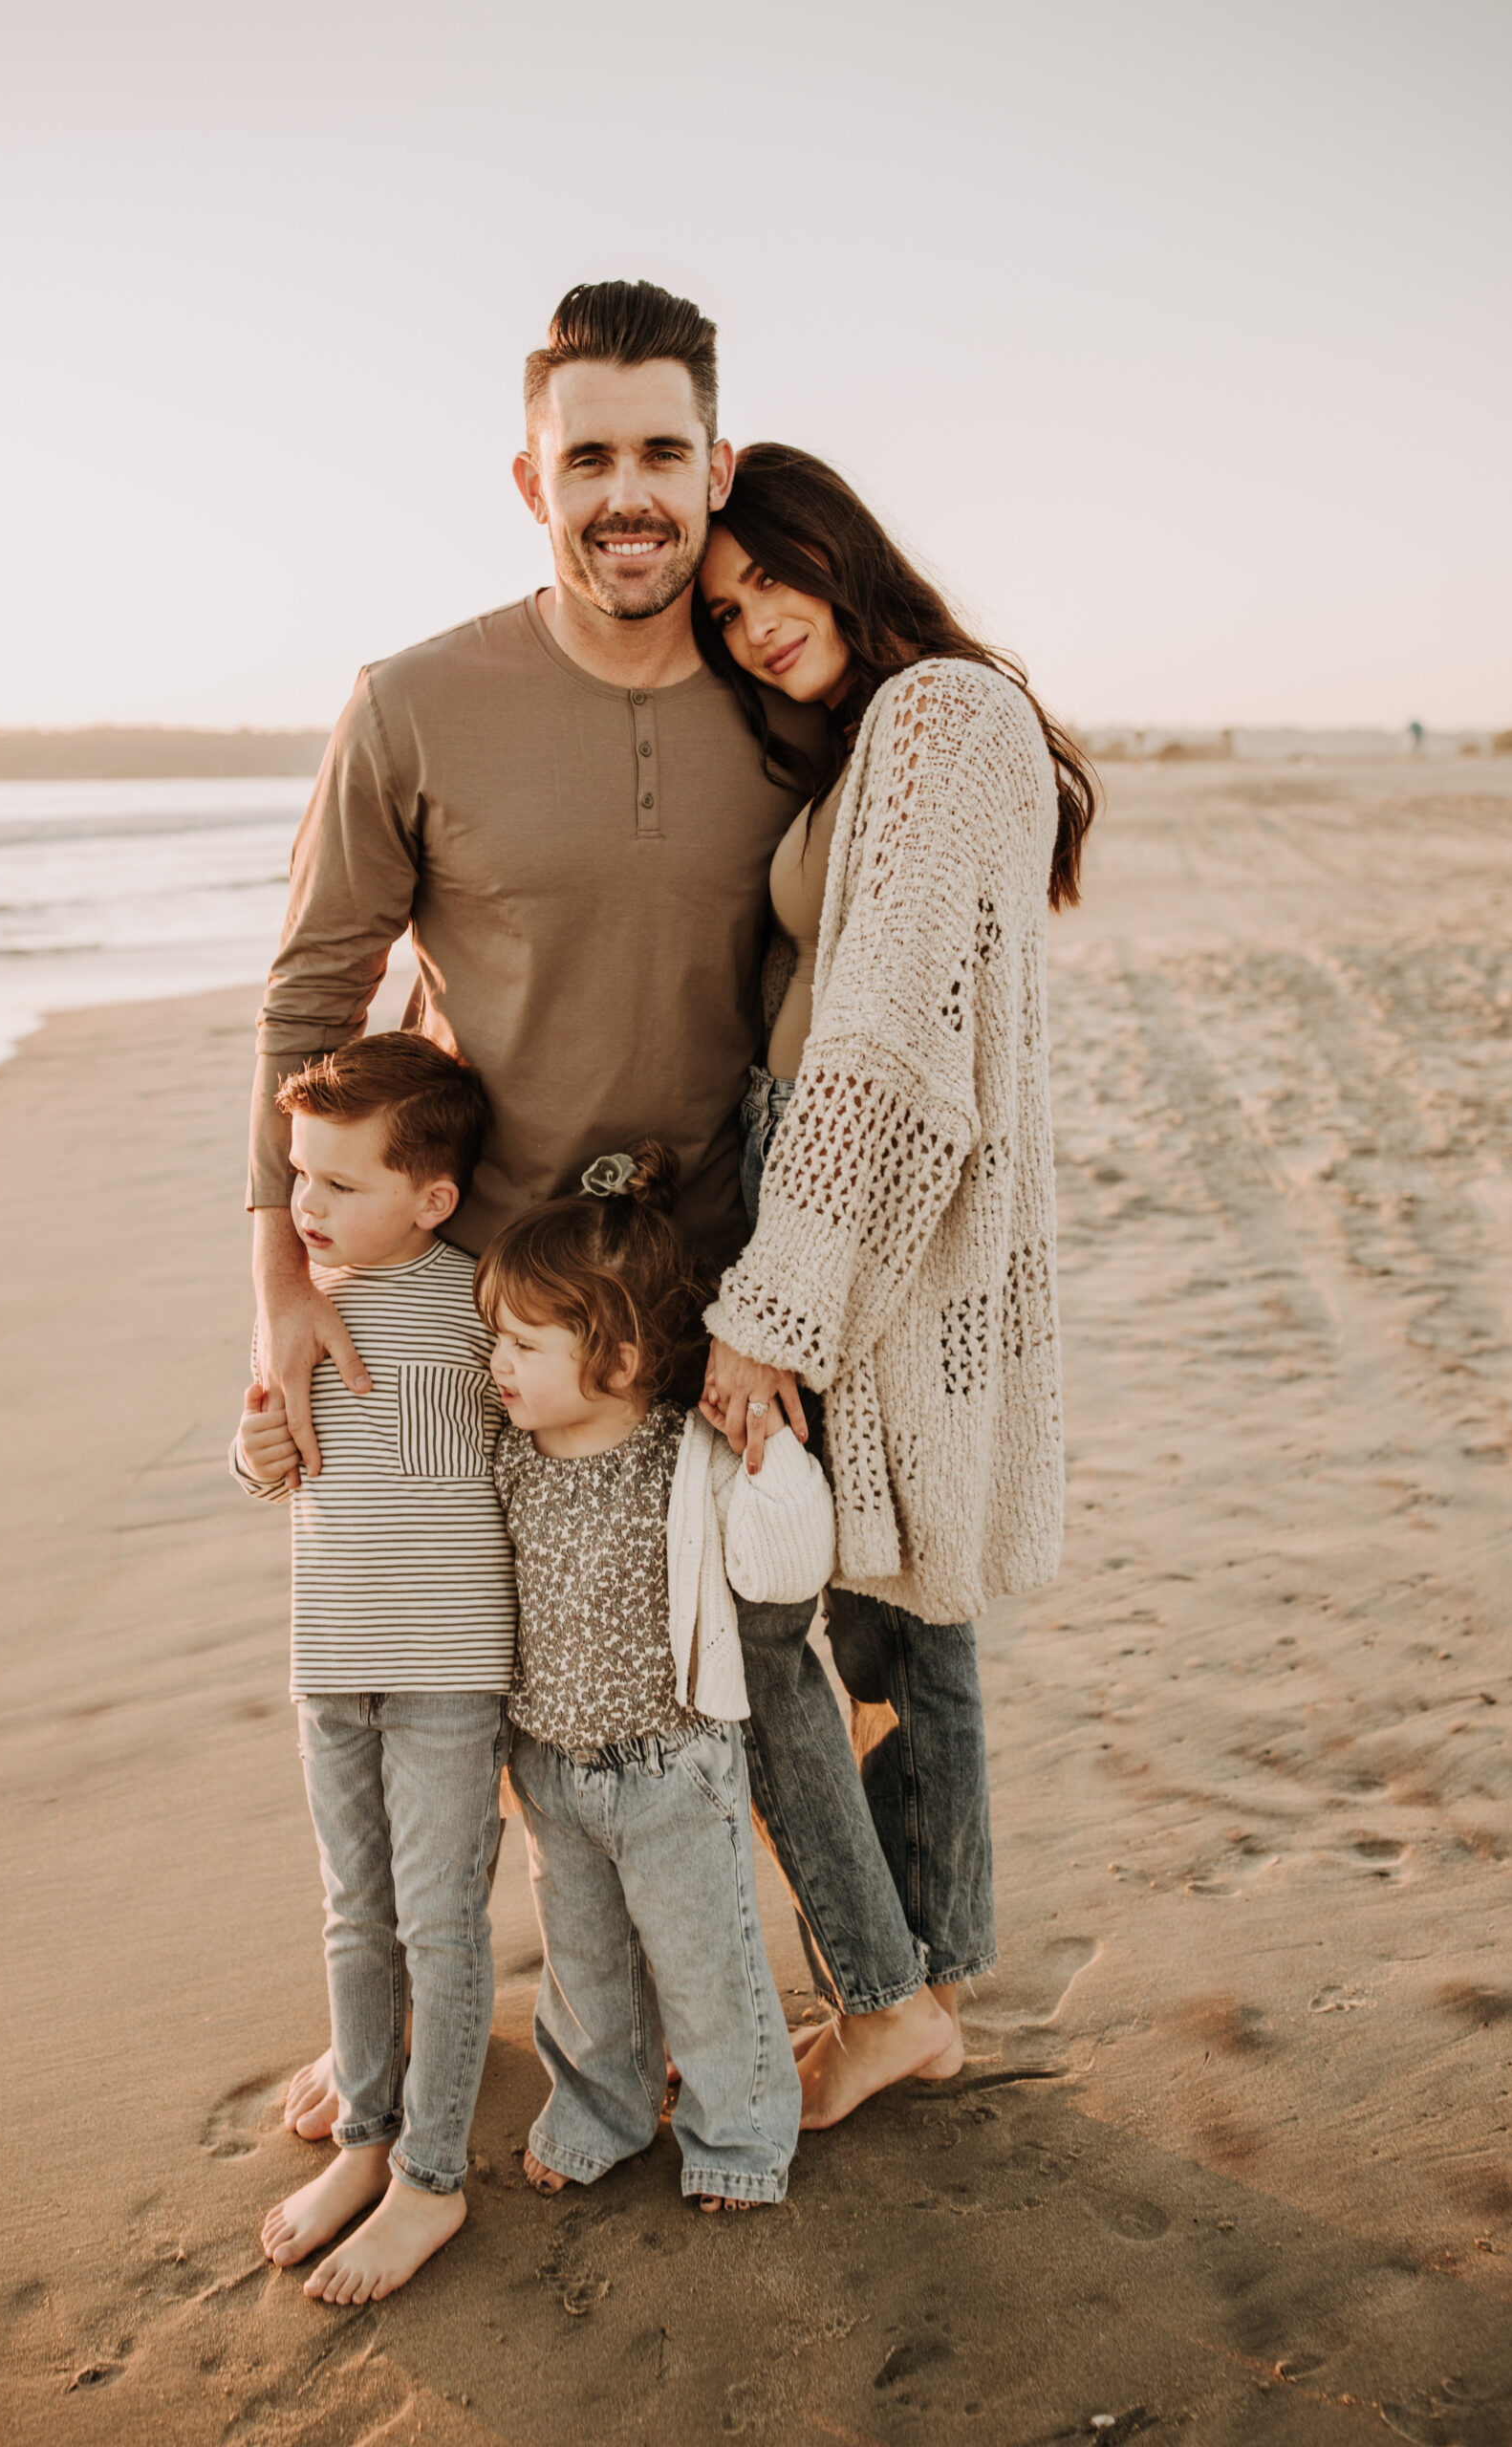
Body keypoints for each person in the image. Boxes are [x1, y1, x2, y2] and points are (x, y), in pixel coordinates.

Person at [259, 278, 826, 2144]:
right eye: (588, 455)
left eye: (662, 450)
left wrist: (801, 1296)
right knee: (463, 1686)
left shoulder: (785, 697)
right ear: (530, 476)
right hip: (479, 1305)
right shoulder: (411, 699)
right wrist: (280, 1288)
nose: (628, 493)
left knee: (708, 1683)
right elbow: (305, 1006)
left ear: (713, 464)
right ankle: (404, 2026)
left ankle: (719, 2018)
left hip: (715, 1282)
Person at [694, 443, 1097, 2128]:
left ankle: (885, 1991)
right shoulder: (879, 734)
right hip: (854, 1204)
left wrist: (769, 1310)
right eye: (724, 614)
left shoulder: (938, 716)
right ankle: (920, 1990)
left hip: (872, 1213)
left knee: (781, 1619)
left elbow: (880, 1055)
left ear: (836, 547)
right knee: (895, 1612)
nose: (754, 622)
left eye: (772, 575)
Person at [476, 1143, 832, 2210]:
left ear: (621, 1360)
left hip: (674, 1766)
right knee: (586, 1973)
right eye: (496, 1334)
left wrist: (772, 1464)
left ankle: (739, 2136)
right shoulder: (507, 1457)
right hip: (553, 1767)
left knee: (706, 1965)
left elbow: (785, 1566)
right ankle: (602, 2109)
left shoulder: (687, 1452)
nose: (498, 1360)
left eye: (524, 1343)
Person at [231, 1033, 516, 2305]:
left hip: (451, 1666)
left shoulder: (477, 1305)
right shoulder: (303, 1307)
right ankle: (364, 2140)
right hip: (331, 1664)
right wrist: (256, 1445)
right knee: (356, 1911)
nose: (305, 1206)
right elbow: (268, 1470)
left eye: (339, 1186)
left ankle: (431, 2177)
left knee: (442, 1921)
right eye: (299, 1177)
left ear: (432, 1197)